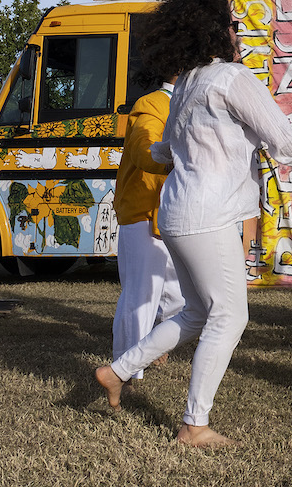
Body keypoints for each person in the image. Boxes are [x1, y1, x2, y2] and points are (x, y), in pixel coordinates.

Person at [95, 0, 292, 447]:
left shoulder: (189, 83)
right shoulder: (231, 77)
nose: (237, 33)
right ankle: (194, 426)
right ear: (216, 32)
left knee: (197, 313)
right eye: (232, 26)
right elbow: (283, 138)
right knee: (230, 316)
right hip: (206, 214)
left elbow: (164, 150)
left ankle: (118, 370)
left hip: (177, 212)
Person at [111, 74, 184, 382]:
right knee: (141, 297)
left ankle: (153, 345)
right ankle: (126, 371)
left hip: (172, 211)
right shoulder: (152, 104)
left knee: (179, 294)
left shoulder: (188, 102)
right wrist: (178, 158)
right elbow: (144, 149)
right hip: (142, 210)